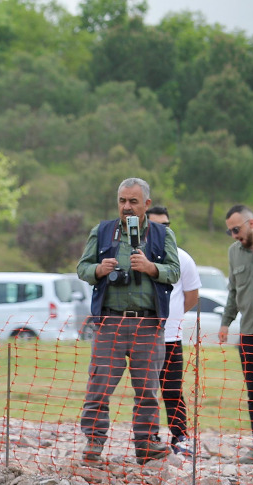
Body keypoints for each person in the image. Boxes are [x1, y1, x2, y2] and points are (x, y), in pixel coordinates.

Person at [76, 177, 181, 464]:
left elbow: (174, 271)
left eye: (133, 201)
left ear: (146, 203)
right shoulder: (102, 231)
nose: (127, 207)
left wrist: (150, 267)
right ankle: (94, 442)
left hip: (148, 325)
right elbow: (81, 268)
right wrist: (98, 269)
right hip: (110, 323)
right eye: (123, 200)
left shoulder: (162, 235)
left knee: (147, 389)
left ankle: (146, 445)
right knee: (99, 386)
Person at [145, 206, 201, 457]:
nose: (162, 230)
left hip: (170, 338)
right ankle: (149, 436)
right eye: (157, 225)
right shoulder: (137, 257)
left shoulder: (183, 258)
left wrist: (173, 318)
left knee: (173, 389)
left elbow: (191, 297)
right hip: (142, 337)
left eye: (166, 225)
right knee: (146, 390)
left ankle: (180, 437)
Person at [219, 205, 253, 462]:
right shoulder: (233, 253)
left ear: (251, 223)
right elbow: (233, 293)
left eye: (236, 229)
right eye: (230, 231)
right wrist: (226, 322)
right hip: (250, 334)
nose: (234, 235)